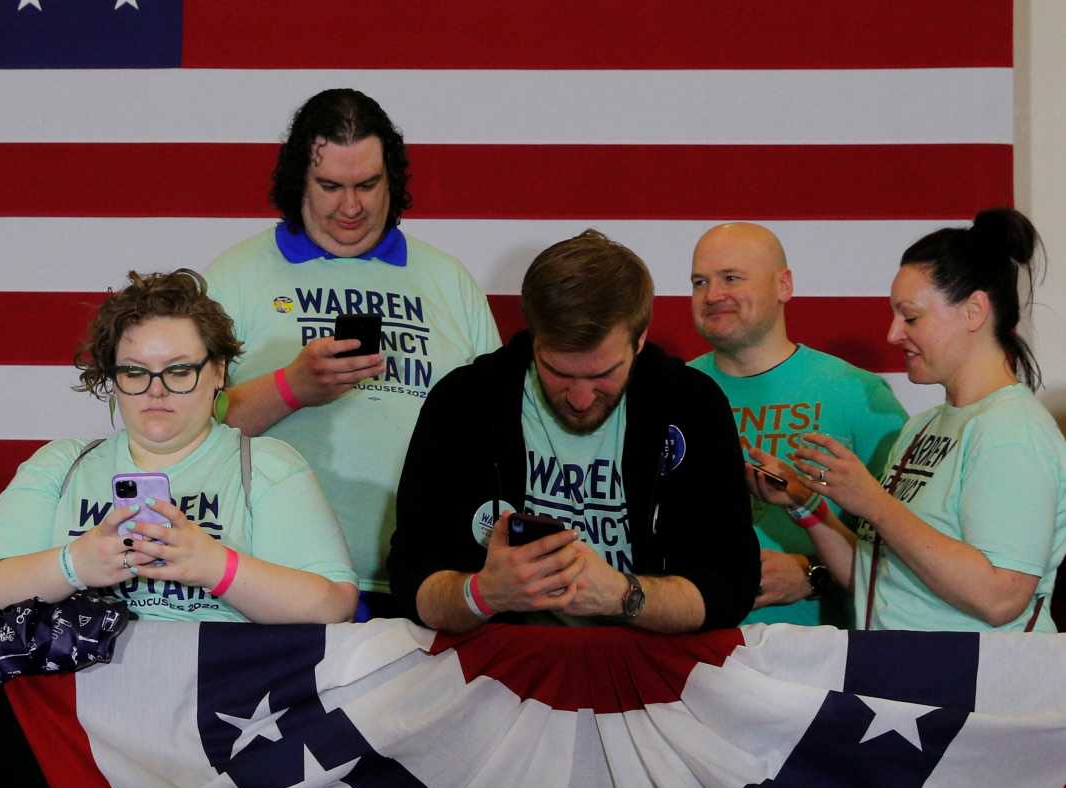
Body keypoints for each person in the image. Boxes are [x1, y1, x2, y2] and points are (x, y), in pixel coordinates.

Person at [205, 88, 499, 616]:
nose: (351, 206)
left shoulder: (448, 280)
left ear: (394, 179)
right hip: (276, 584)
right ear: (299, 180)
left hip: (426, 584)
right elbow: (185, 434)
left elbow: (499, 428)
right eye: (330, 186)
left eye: (368, 184)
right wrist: (291, 388)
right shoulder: (234, 277)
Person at [388, 230, 759, 633]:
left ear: (640, 340)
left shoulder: (691, 404)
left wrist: (623, 595)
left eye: (603, 374)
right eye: (559, 373)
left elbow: (730, 590)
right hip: (500, 670)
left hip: (648, 673)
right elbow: (412, 582)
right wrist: (483, 594)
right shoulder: (464, 402)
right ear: (534, 340)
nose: (581, 399)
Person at [0, 269, 358, 623]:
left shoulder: (266, 466)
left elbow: (333, 605)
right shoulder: (61, 465)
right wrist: (73, 566)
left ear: (218, 371)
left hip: (222, 696)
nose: (157, 390)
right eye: (135, 372)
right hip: (77, 699)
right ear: (112, 378)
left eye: (179, 370)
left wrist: (217, 568)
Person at [749, 208, 1066, 631]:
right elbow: (875, 581)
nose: (893, 334)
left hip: (975, 692)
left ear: (974, 311)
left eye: (911, 317)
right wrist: (804, 504)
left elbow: (1000, 597)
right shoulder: (923, 426)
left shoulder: (1013, 431)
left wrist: (874, 504)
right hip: (901, 684)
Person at [687, 223, 908, 627]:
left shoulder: (860, 396)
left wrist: (813, 575)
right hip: (693, 654)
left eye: (731, 278)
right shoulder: (671, 394)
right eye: (700, 282)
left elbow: (909, 552)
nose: (712, 294)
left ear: (783, 285)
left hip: (822, 662)